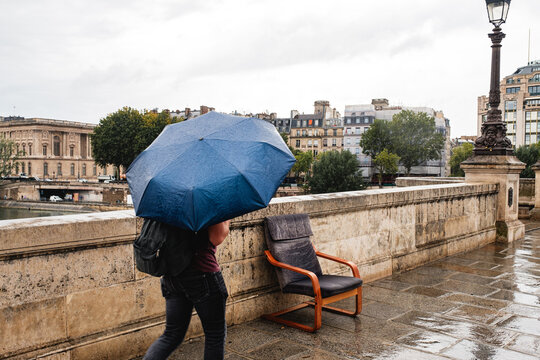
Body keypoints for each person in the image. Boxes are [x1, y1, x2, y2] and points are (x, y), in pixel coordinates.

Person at [143, 220, 231, 360]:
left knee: (171, 335)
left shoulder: (168, 200)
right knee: (215, 334)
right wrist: (226, 216)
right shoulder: (205, 198)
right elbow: (217, 236)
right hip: (202, 272)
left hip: (172, 274)